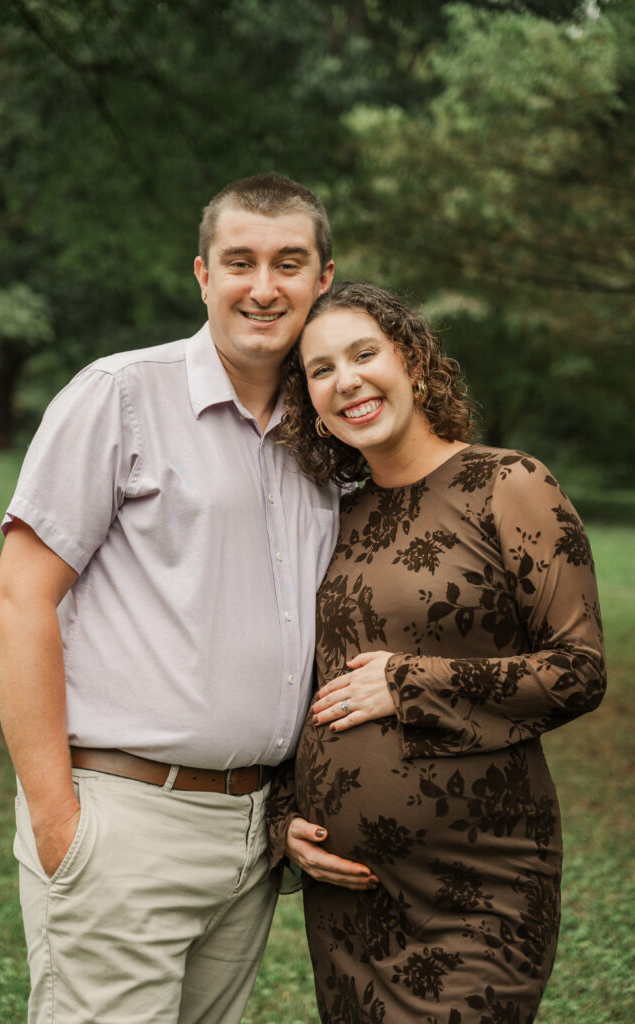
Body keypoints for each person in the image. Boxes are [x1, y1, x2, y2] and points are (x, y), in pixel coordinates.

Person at [0, 173, 363, 1024]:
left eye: (288, 263)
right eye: (240, 262)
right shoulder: (119, 395)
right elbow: (16, 601)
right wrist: (60, 824)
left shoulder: (329, 433)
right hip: (123, 820)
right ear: (202, 275)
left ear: (323, 278)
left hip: (252, 833)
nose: (263, 288)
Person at [267, 281, 607, 1024]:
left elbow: (577, 671)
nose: (346, 380)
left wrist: (408, 682)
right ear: (309, 402)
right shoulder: (332, 517)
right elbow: (303, 685)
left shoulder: (506, 484)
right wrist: (283, 819)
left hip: (477, 884)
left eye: (364, 354)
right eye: (320, 370)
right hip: (348, 900)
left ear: (413, 361)